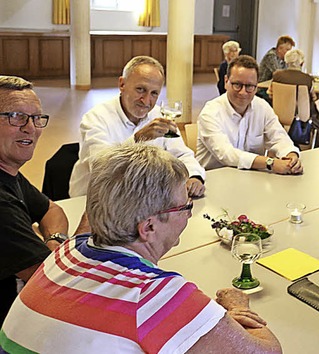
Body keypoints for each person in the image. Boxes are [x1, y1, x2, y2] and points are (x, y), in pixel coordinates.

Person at [0, 144, 282, 353]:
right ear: (147, 227)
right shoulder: (155, 294)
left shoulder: (69, 250)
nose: (189, 215)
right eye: (186, 206)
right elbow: (268, 351)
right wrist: (235, 307)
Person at [69, 55, 205, 198]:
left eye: (154, 93)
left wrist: (194, 176)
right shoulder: (96, 118)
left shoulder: (159, 115)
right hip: (98, 199)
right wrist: (138, 138)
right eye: (140, 89)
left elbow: (181, 154)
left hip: (142, 197)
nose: (146, 100)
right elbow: (101, 167)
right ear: (122, 84)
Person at [0, 75, 69, 324]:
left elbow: (51, 210)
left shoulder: (9, 172)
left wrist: (54, 241)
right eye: (16, 116)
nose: (30, 128)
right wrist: (86, 227)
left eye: (36, 118)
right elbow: (52, 282)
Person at [197, 55, 302, 174]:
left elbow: (279, 138)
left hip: (252, 178)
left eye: (249, 86)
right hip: (214, 179)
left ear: (256, 87)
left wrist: (291, 156)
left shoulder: (262, 107)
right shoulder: (210, 113)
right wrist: (270, 163)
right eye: (237, 85)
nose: (243, 92)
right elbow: (226, 154)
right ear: (226, 82)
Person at [271, 49, 319, 147]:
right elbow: (313, 97)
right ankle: (315, 147)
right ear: (302, 63)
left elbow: (270, 93)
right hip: (301, 116)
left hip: (278, 113)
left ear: (286, 62)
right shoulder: (307, 79)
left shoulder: (277, 76)